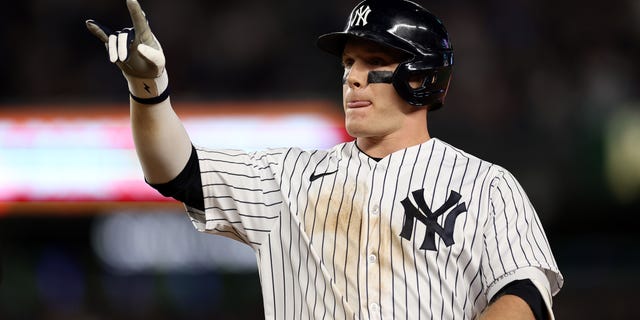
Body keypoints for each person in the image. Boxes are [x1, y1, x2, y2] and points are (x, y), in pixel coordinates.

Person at [86, 0, 563, 319]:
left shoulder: (487, 186)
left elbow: (526, 295)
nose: (353, 77)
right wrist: (149, 91)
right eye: (348, 64)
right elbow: (177, 172)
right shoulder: (289, 177)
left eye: (374, 62)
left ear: (423, 79)